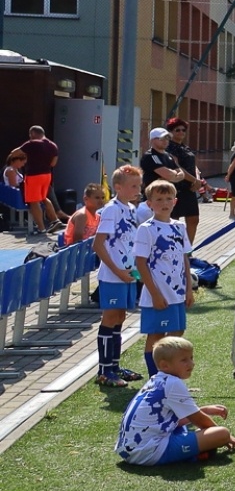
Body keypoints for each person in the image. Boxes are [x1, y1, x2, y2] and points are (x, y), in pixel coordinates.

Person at [115, 337, 235, 465]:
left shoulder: (155, 380)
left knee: (185, 429)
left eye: (191, 358)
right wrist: (226, 438)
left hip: (130, 449)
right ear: (165, 365)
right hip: (148, 451)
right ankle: (194, 455)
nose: (191, 364)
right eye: (184, 360)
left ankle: (194, 449)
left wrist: (205, 410)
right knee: (222, 433)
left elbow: (169, 420)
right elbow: (198, 420)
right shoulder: (173, 383)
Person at [134, 180, 193, 379]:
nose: (164, 203)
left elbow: (184, 258)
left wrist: (189, 289)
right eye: (159, 199)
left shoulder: (179, 227)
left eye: (168, 198)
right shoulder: (146, 229)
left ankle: (167, 373)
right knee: (157, 335)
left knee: (178, 331)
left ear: (175, 201)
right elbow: (141, 262)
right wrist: (155, 294)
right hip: (158, 294)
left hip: (177, 293)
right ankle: (155, 379)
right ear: (149, 203)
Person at [92, 166, 145, 387]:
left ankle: (114, 366)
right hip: (113, 275)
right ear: (118, 187)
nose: (138, 190)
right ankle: (104, 371)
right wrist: (117, 271)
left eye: (139, 185)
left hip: (127, 274)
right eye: (133, 186)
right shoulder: (111, 210)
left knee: (120, 317)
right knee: (110, 317)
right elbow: (98, 244)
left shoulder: (131, 208)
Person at [15, 125, 63, 233]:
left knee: (34, 202)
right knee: (44, 198)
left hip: (33, 175)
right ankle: (55, 220)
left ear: (32, 133)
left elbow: (15, 153)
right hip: (47, 175)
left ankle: (41, 228)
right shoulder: (53, 145)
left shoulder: (31, 144)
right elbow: (53, 163)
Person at [164, 117, 204, 246]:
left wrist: (197, 180)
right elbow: (176, 167)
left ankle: (187, 249)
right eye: (177, 130)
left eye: (183, 130)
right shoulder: (169, 148)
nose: (181, 132)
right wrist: (194, 180)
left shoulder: (185, 147)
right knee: (174, 219)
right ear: (170, 132)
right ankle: (173, 247)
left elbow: (194, 165)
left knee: (193, 218)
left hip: (189, 188)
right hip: (175, 187)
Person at [140, 128, 184, 198]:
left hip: (169, 195)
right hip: (154, 196)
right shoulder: (150, 156)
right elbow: (168, 174)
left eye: (167, 138)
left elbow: (182, 174)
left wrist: (170, 176)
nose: (165, 141)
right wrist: (174, 174)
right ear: (152, 140)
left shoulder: (169, 155)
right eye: (162, 138)